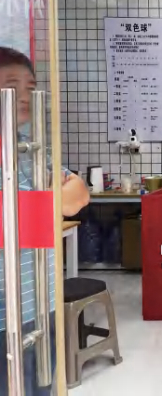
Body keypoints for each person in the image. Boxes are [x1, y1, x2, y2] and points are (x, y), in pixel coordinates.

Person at [0, 46, 90, 394]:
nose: (25, 96)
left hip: (40, 305)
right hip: (4, 316)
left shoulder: (30, 149)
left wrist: (36, 208)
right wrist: (51, 204)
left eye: (31, 87)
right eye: (12, 85)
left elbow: (79, 194)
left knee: (42, 386)